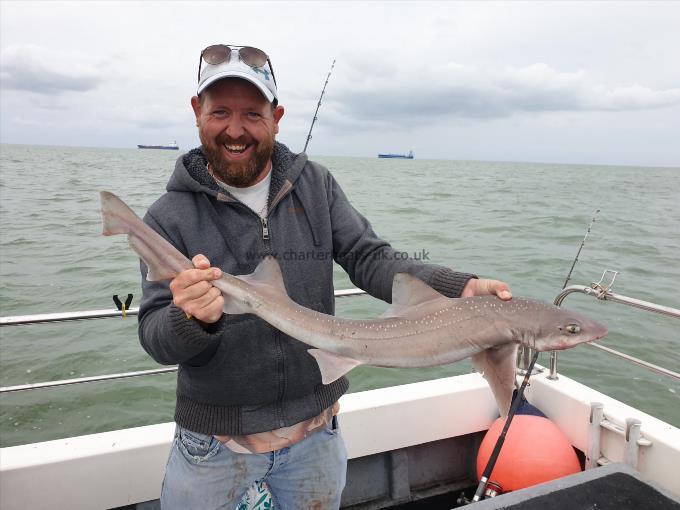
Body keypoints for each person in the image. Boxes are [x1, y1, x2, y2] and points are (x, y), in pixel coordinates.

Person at [138, 44, 513, 510]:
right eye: (220, 113)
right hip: (215, 447)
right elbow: (155, 337)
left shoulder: (314, 186)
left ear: (277, 117)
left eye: (253, 114)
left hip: (315, 435)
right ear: (197, 112)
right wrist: (188, 319)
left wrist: (460, 287)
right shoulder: (168, 217)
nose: (235, 130)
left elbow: (369, 257)